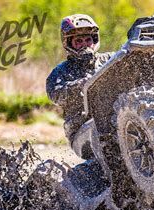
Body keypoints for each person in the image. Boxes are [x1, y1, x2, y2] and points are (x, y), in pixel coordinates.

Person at [46, 14, 113, 196]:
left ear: (95, 40)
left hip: (116, 121)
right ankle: (115, 180)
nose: (84, 44)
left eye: (88, 39)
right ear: (68, 42)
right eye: (79, 41)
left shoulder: (109, 60)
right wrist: (85, 83)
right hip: (81, 133)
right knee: (96, 126)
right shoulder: (60, 72)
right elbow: (56, 94)